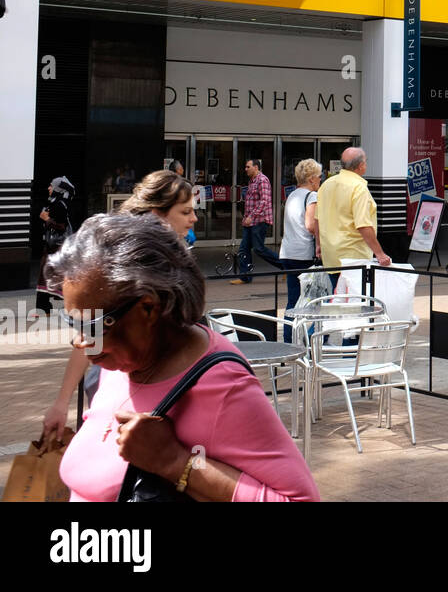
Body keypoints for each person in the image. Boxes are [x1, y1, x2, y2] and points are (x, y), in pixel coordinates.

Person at [49, 213, 319, 501]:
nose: (80, 342)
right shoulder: (122, 362)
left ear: (148, 309)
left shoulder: (222, 384)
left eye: (90, 325)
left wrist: (174, 462)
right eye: (72, 322)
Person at [42, 170, 197, 441]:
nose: (194, 219)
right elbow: (90, 335)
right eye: (185, 212)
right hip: (121, 393)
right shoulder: (117, 266)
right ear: (156, 214)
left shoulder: (175, 261)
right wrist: (61, 402)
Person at [315, 147, 392, 269]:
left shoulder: (326, 184)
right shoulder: (358, 188)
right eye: (366, 161)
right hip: (352, 257)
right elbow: (363, 225)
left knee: (336, 288)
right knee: (352, 288)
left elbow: (318, 219)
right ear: (361, 165)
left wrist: (318, 244)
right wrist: (379, 253)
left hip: (330, 255)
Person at [279, 159, 322, 340]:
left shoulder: (292, 195)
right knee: (312, 300)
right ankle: (309, 338)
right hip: (303, 254)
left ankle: (289, 339)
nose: (320, 180)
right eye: (319, 177)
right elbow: (310, 225)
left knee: (293, 300)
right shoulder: (311, 196)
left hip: (288, 252)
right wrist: (320, 242)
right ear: (312, 179)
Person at [231, 157, 277, 284]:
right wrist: (247, 218)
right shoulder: (252, 181)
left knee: (259, 249)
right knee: (243, 249)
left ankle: (285, 266)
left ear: (256, 167)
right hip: (250, 222)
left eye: (248, 167)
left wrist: (252, 216)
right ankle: (245, 277)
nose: (245, 169)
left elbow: (264, 201)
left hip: (259, 221)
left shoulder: (262, 180)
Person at [36, 175, 76, 313]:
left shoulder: (60, 205)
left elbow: (62, 226)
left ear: (58, 189)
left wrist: (47, 219)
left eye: (51, 186)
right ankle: (43, 307)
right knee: (46, 274)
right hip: (51, 246)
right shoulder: (53, 202)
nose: (49, 188)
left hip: (58, 247)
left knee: (59, 276)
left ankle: (69, 306)